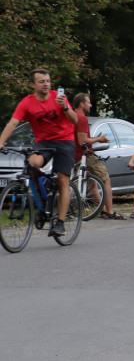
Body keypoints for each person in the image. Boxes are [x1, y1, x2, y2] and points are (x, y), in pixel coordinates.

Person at [0, 68, 78, 237]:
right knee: (32, 164)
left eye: (48, 81)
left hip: (65, 140)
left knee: (63, 179)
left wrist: (65, 107)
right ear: (33, 84)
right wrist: (1, 142)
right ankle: (43, 198)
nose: (46, 84)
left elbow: (75, 120)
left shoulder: (58, 97)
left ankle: (60, 223)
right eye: (41, 81)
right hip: (43, 142)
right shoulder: (27, 103)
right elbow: (13, 123)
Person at [72, 93, 122, 220]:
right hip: (85, 156)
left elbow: (80, 138)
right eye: (88, 102)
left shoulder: (71, 116)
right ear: (82, 104)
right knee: (105, 179)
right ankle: (110, 211)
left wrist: (97, 139)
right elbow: (83, 141)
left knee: (92, 185)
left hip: (74, 155)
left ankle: (103, 210)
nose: (90, 105)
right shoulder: (82, 118)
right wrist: (98, 139)